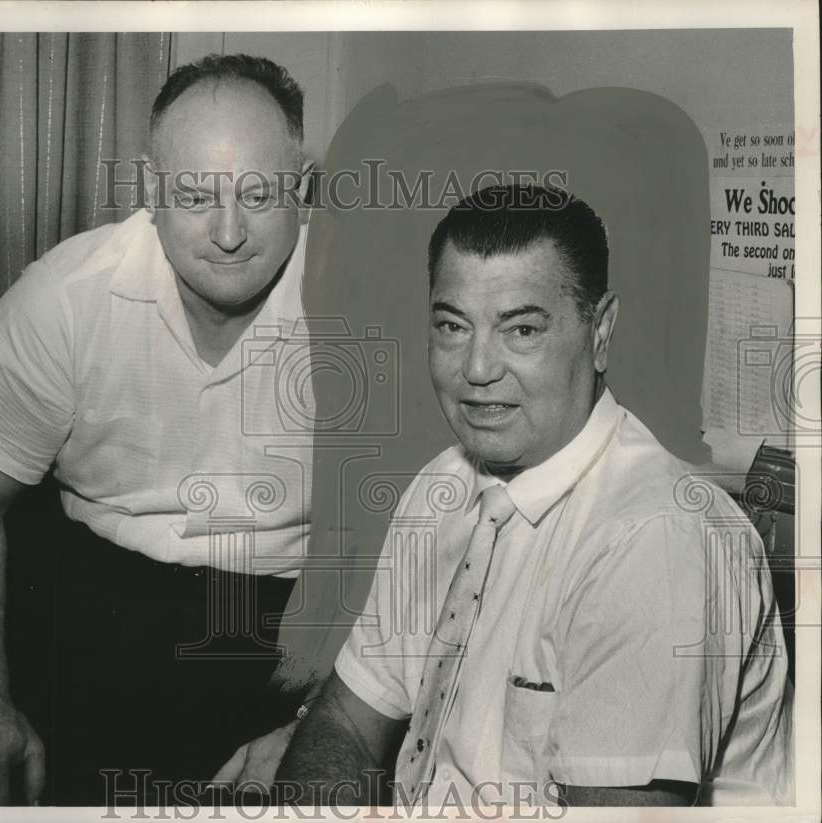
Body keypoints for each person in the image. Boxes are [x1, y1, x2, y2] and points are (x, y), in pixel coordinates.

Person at [276, 184, 791, 807]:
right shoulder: (443, 484)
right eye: (452, 325)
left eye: (521, 329)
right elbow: (345, 726)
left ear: (600, 332)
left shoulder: (656, 541)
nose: (476, 368)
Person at [0, 54, 316, 806]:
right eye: (197, 194)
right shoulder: (65, 299)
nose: (229, 233)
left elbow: (421, 544)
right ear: (149, 188)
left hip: (291, 636)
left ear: (301, 187)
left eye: (260, 194)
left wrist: (326, 719)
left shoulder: (367, 299)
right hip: (98, 622)